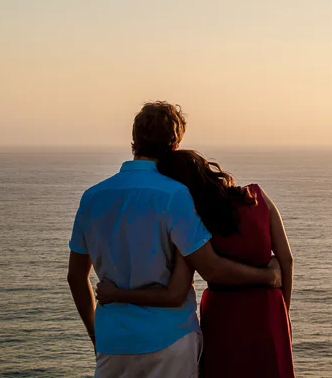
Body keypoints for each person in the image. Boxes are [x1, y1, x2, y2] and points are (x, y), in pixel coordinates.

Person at [67, 102, 281, 378]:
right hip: (170, 341)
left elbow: (76, 276)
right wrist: (268, 277)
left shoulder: (92, 197)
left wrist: (98, 336)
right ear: (175, 143)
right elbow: (211, 267)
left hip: (114, 344)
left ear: (134, 141)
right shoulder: (175, 195)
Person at [96, 149, 296, 378]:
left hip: (225, 314)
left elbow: (177, 290)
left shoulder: (196, 221)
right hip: (270, 311)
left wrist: (117, 294)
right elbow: (286, 261)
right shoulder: (257, 196)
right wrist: (283, 314)